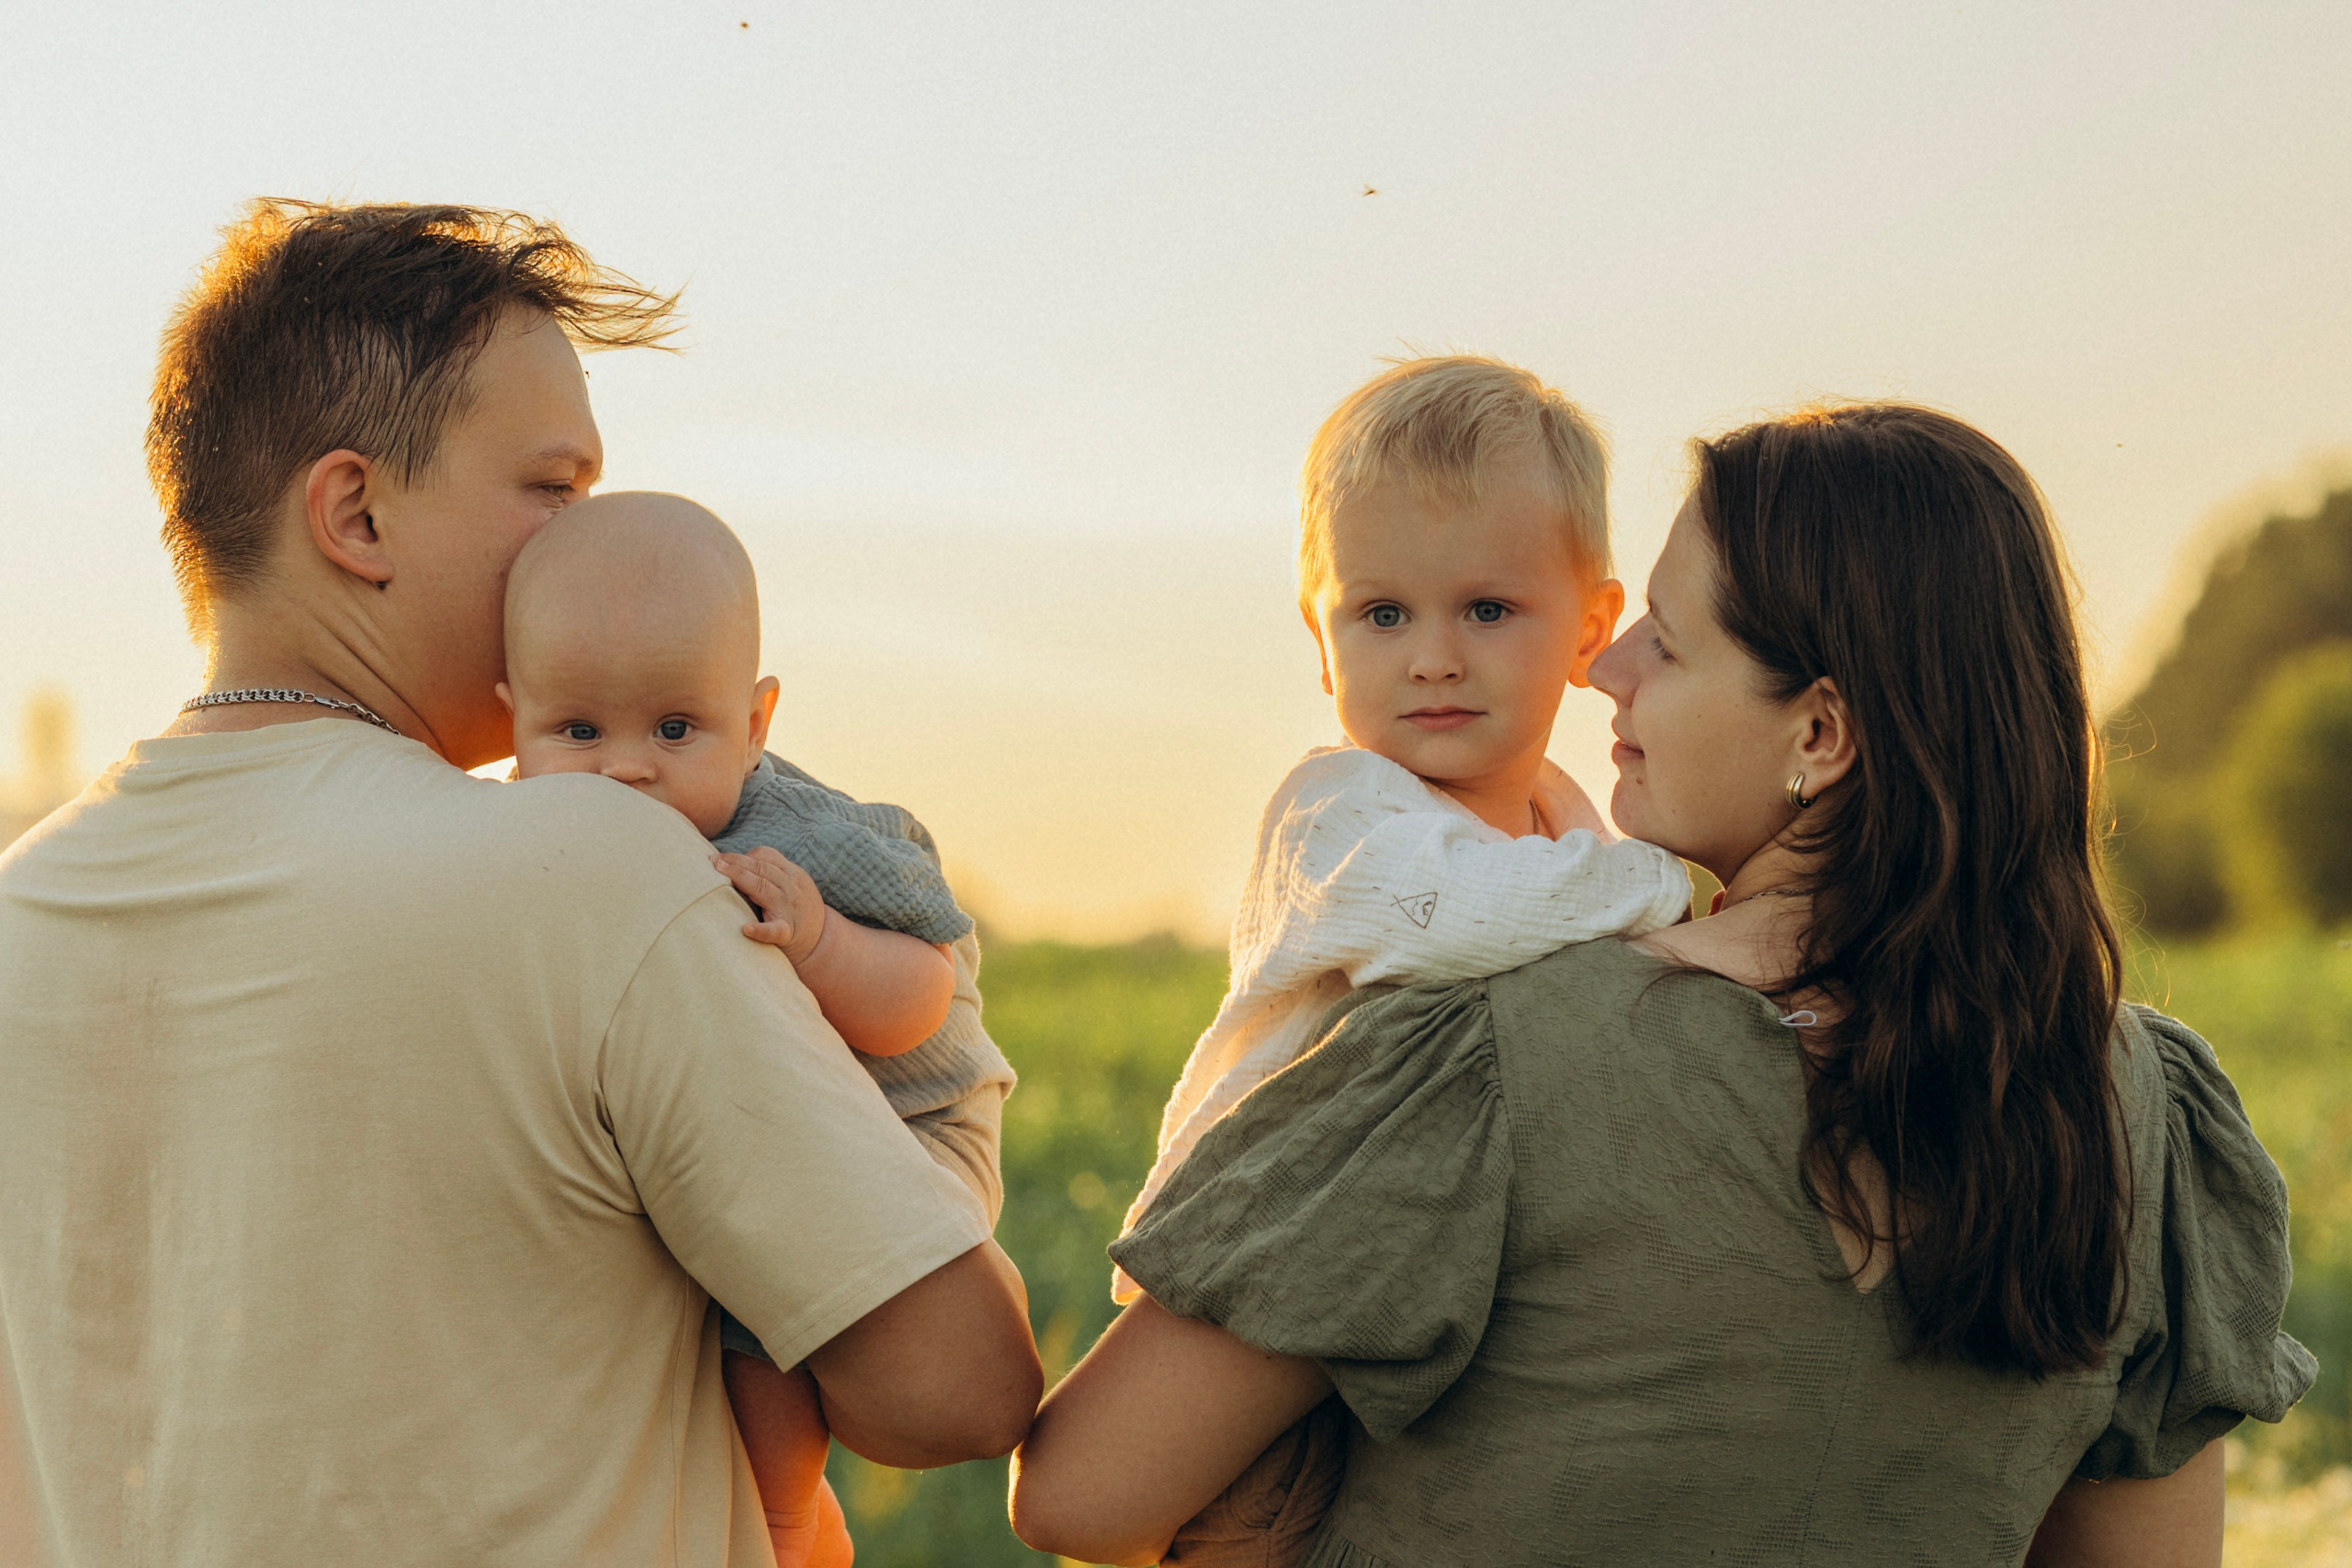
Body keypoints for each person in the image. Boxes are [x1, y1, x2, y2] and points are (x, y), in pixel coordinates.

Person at [1011, 402, 2315, 1567]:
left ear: (1818, 733)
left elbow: (1077, 1494)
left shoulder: (1489, 1052)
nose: (1605, 665)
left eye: (1670, 645)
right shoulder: (2137, 1109)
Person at [0, 200, 1041, 1568]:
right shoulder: (598, 865)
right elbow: (957, 1385)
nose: (586, 541)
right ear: (357, 512)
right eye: (553, 489)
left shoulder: (21, 912)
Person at [1106, 356, 1691, 1563]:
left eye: (1486, 608)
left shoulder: (1570, 825)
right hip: (1253, 1296)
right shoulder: (1341, 812)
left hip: (1409, 1294)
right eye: (1381, 613)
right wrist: (1675, 887)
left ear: (1589, 625)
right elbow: (1442, 918)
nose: (1432, 655)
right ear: (1320, 642)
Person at [497, 489, 1018, 1564]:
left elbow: (927, 991)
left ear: (758, 720)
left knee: (758, 1334)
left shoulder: (807, 842)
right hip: (777, 1138)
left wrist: (821, 941)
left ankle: (785, 1523)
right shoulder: (537, 839)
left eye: (676, 729)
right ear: (515, 720)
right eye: (578, 731)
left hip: (913, 1128)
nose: (626, 767)